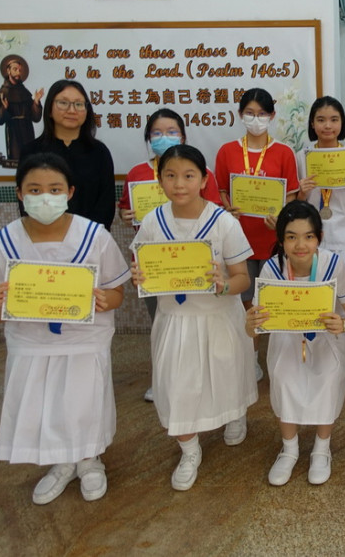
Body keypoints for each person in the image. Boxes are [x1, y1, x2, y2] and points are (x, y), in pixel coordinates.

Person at [0, 153, 129, 505]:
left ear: (70, 192)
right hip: (31, 342)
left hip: (85, 340)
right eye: (35, 189)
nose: (45, 197)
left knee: (84, 402)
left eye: (55, 189)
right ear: (19, 193)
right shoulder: (3, 242)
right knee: (43, 404)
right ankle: (61, 462)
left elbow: (117, 292)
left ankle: (89, 460)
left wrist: (105, 300)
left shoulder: (94, 236)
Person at [131, 144, 256, 491]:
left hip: (218, 317)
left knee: (227, 375)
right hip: (175, 320)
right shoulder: (153, 221)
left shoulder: (224, 222)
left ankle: (235, 415)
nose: (179, 184)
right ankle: (189, 450)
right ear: (159, 181)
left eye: (188, 175)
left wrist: (224, 285)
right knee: (175, 386)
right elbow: (141, 268)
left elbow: (243, 279)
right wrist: (139, 277)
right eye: (170, 175)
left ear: (203, 180)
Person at [245, 201, 345, 486]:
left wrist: (343, 325)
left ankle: (322, 449)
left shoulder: (333, 264)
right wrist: (250, 325)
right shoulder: (272, 269)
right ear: (281, 240)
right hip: (287, 341)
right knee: (284, 381)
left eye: (308, 236)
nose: (300, 245)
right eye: (291, 237)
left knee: (327, 382)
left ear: (319, 238)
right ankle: (289, 449)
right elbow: (254, 329)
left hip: (328, 340)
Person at [118, 108, 222, 402]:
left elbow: (214, 210)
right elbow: (125, 209)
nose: (164, 137)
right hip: (156, 263)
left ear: (183, 137)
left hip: (194, 260)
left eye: (171, 132)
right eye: (157, 133)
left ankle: (201, 380)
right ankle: (163, 379)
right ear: (148, 138)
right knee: (162, 323)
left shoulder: (203, 172)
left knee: (199, 325)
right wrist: (125, 215)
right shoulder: (137, 174)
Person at [215, 87, 300, 390]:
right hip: (238, 242)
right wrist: (227, 209)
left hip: (273, 241)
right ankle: (249, 358)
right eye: (250, 113)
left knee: (275, 299)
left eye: (262, 114)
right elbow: (221, 190)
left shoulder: (284, 153)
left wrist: (281, 217)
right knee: (245, 302)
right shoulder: (227, 152)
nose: (256, 119)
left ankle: (281, 357)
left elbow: (291, 195)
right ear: (240, 115)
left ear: (272, 116)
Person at [295, 96, 345, 392]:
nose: (327, 125)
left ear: (342, 123)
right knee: (315, 301)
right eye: (321, 120)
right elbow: (295, 206)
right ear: (312, 124)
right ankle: (317, 361)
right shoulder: (302, 158)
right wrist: (302, 193)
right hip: (311, 241)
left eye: (333, 120)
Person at [19, 80, 116, 230]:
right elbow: (27, 200)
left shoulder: (99, 152)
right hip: (43, 235)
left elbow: (106, 203)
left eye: (78, 104)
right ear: (49, 109)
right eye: (63, 103)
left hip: (91, 237)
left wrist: (90, 236)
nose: (72, 110)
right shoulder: (32, 151)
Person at [0, 55, 43, 166]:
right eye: (15, 69)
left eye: (20, 70)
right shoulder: (2, 92)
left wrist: (36, 102)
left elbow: (35, 118)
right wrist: (4, 108)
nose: (18, 73)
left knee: (30, 160)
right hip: (13, 131)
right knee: (16, 160)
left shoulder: (24, 91)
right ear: (8, 71)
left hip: (28, 130)